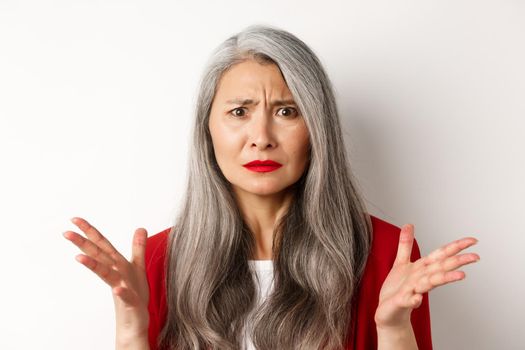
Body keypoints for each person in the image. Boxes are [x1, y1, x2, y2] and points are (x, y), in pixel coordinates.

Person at [63, 24, 480, 350]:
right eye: (239, 111)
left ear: (318, 130)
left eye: (286, 110)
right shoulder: (156, 262)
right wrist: (131, 329)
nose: (261, 136)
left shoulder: (387, 254)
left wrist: (391, 329)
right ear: (207, 130)